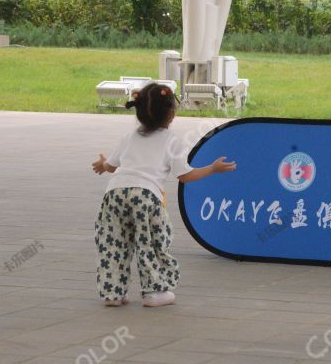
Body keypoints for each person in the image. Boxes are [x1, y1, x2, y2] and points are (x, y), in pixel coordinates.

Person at [91, 83, 236, 307]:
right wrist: (212, 168)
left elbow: (111, 166)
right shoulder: (172, 141)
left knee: (114, 243)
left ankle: (113, 293)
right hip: (146, 196)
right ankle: (155, 292)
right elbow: (185, 175)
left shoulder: (129, 136)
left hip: (115, 193)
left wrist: (102, 164)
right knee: (151, 243)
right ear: (171, 114)